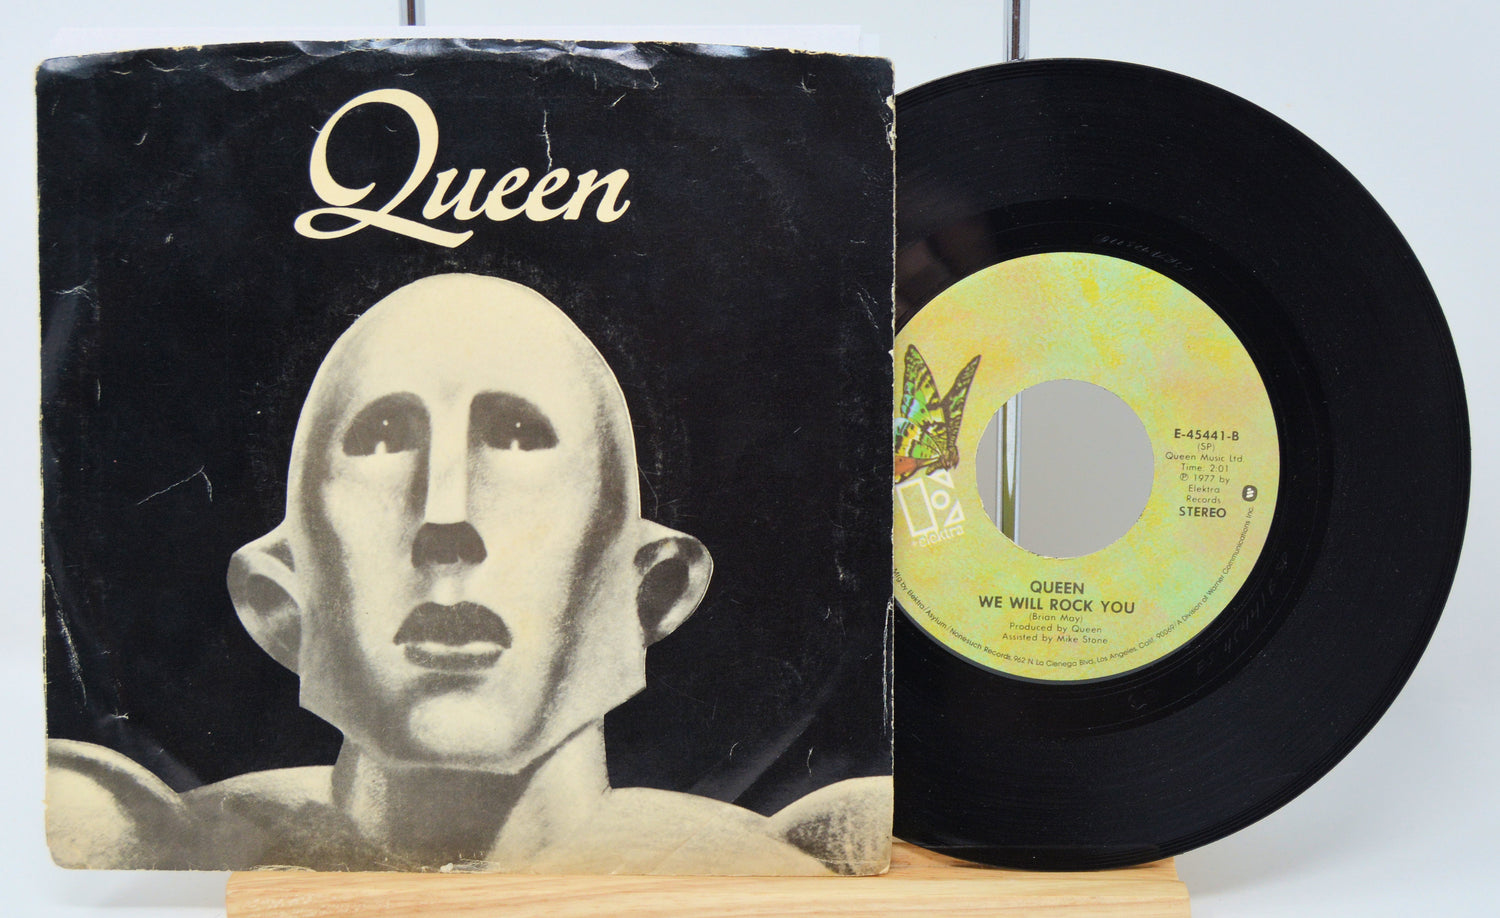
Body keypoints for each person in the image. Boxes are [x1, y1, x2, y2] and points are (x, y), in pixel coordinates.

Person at [46, 274, 888, 874]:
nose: (444, 519)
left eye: (517, 435)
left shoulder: (812, 865)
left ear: (648, 590)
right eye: (382, 439)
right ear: (282, 601)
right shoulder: (125, 847)